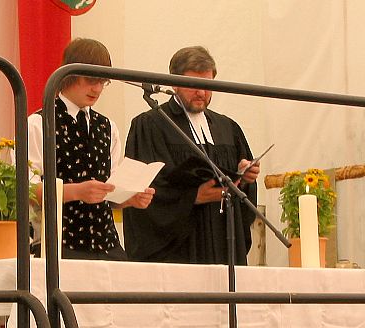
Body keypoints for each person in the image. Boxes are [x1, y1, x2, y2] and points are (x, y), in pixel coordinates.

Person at [124, 46, 260, 265]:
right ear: (174, 83)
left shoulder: (228, 128)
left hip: (222, 241)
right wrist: (193, 197)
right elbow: (144, 189)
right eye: (193, 85)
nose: (201, 93)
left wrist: (245, 177)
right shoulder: (151, 125)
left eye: (208, 85)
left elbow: (244, 198)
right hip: (179, 250)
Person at [28, 37, 154, 260]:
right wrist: (76, 191)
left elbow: (111, 190)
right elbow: (26, 191)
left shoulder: (108, 127)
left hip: (107, 244)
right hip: (60, 244)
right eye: (90, 80)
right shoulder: (39, 123)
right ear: (69, 75)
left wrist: (130, 198)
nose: (97, 88)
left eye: (103, 82)